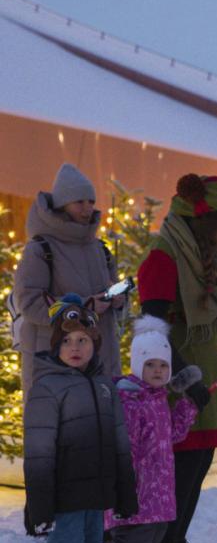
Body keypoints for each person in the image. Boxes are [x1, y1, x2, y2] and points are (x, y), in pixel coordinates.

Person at [136, 173, 217, 543]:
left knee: (197, 468)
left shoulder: (205, 254)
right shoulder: (165, 257)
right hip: (178, 380)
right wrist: (184, 378)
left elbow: (216, 314)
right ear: (207, 215)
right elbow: (151, 328)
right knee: (177, 473)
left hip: (207, 368)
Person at [23, 294, 137, 543]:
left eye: (83, 340)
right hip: (64, 492)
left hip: (96, 489)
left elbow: (119, 440)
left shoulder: (104, 386)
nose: (76, 347)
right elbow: (39, 450)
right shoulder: (47, 388)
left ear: (94, 343)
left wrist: (124, 491)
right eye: (68, 340)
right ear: (56, 345)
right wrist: (40, 505)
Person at [105, 316, 205, 543]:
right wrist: (128, 484)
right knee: (132, 542)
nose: (158, 371)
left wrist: (189, 406)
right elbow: (127, 447)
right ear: (137, 365)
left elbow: (171, 434)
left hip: (158, 490)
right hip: (137, 492)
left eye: (163, 365)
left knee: (152, 542)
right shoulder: (130, 400)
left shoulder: (158, 398)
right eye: (150, 365)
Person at [13, 163, 129, 397]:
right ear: (62, 203)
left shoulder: (100, 249)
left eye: (91, 202)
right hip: (54, 364)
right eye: (80, 202)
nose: (87, 208)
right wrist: (85, 307)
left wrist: (119, 300)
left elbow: (117, 298)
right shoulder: (41, 248)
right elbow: (30, 303)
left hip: (101, 361)